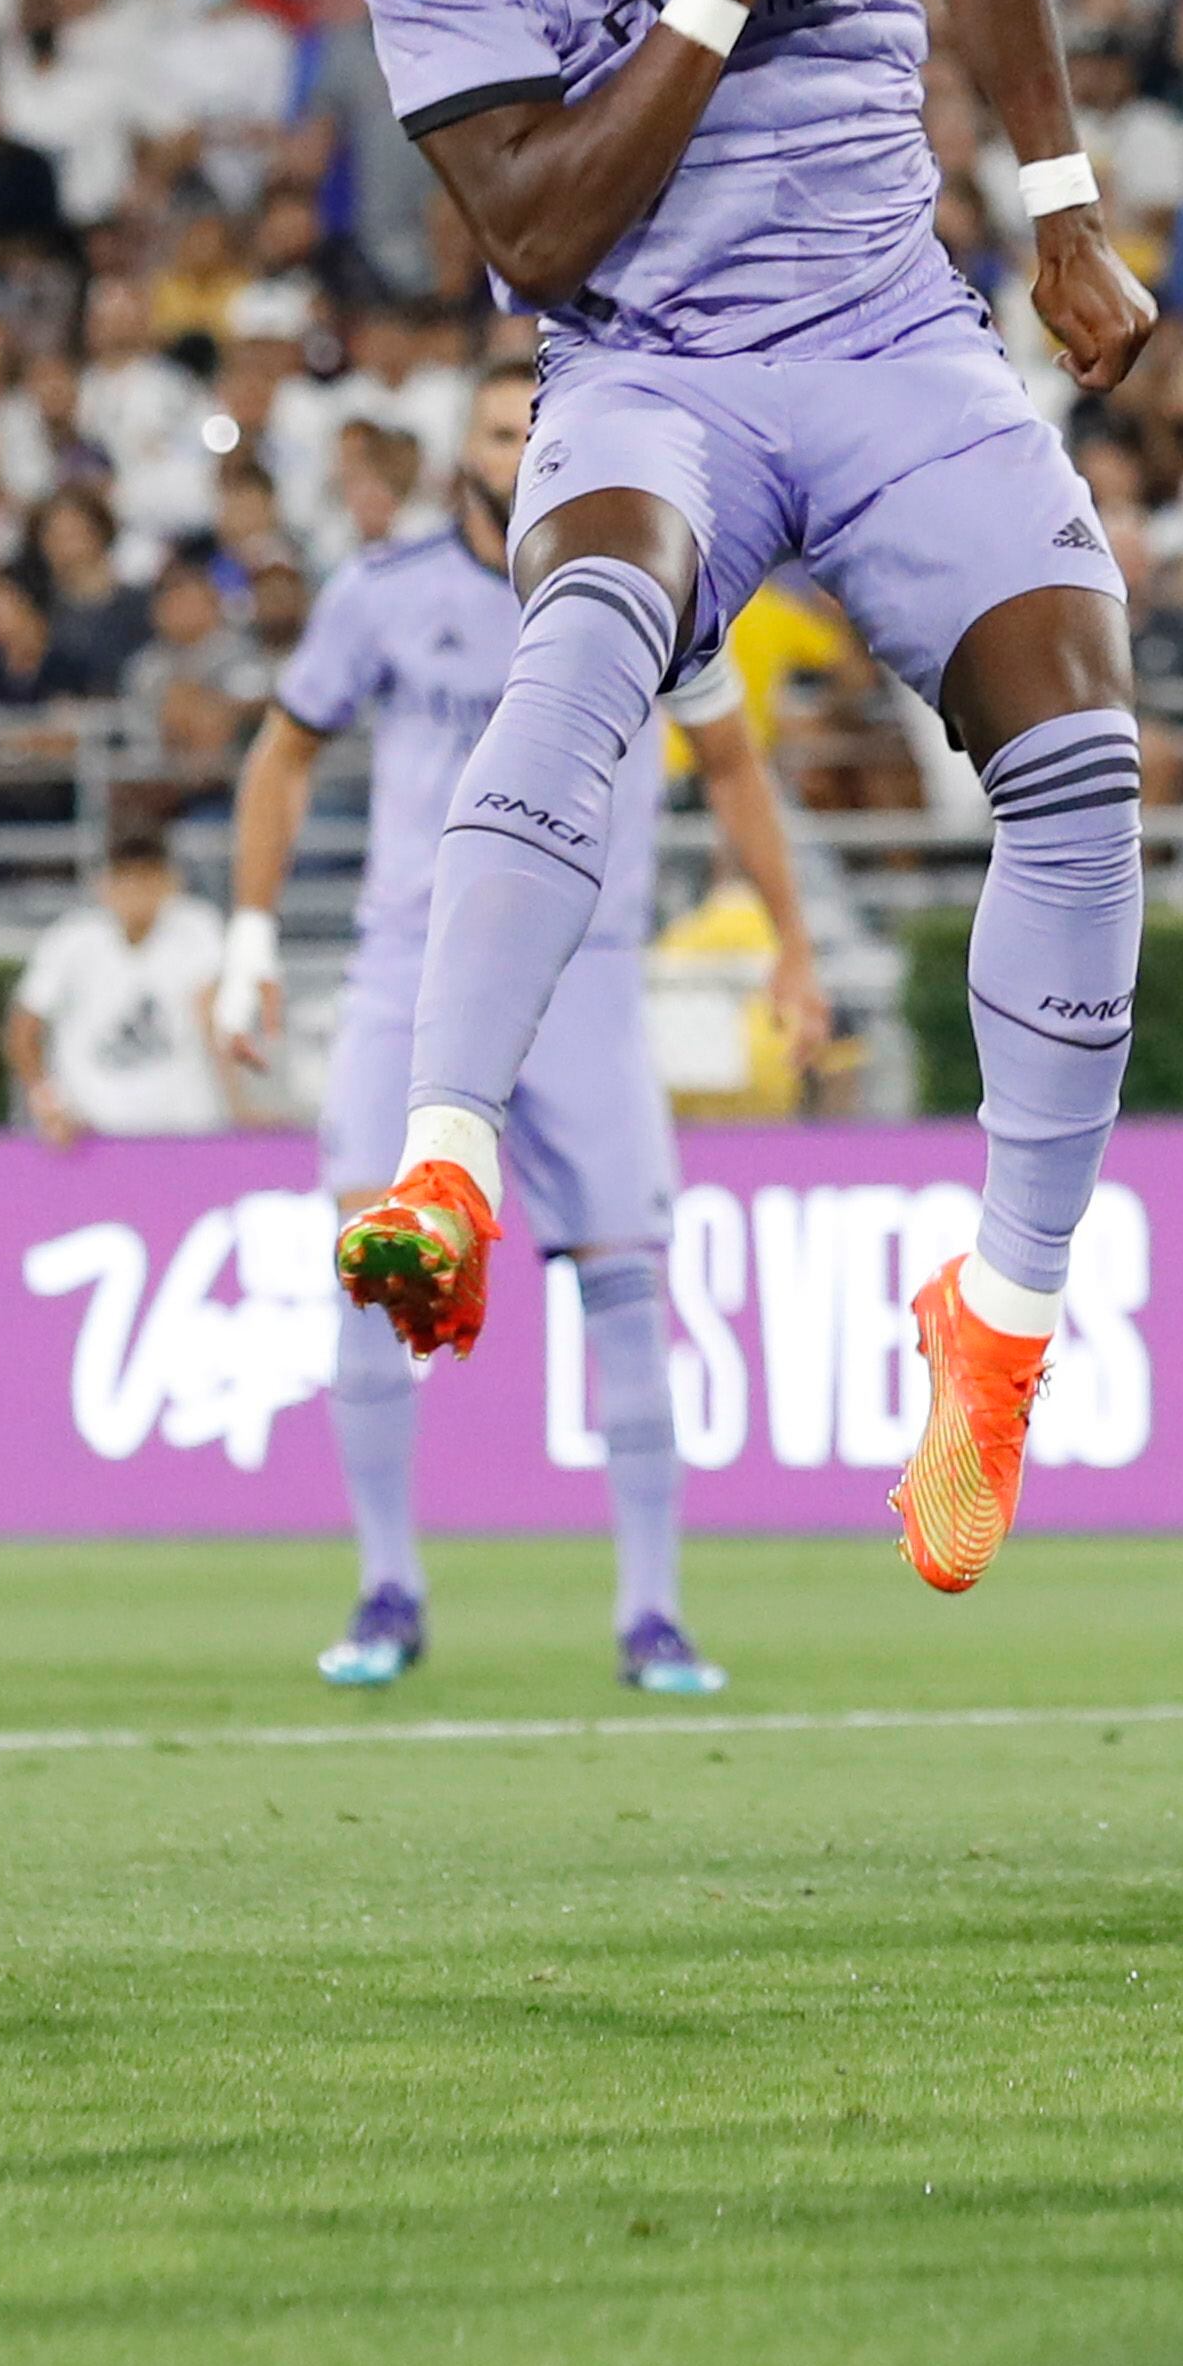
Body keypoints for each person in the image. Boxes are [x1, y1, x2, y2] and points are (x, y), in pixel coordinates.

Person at [319, 0, 1157, 1605]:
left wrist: (1060, 205)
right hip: (651, 373)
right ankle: (444, 1163)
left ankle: (1006, 1319)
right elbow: (537, 237)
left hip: (895, 346)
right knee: (583, 650)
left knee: (1085, 750)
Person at [216, 366, 831, 1698]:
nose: (525, 446)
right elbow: (282, 751)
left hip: (590, 971)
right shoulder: (384, 593)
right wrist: (251, 939)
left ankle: (654, 1612)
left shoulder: (665, 580)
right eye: (504, 428)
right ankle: (386, 1588)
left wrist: (791, 939)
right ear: (472, 447)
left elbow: (732, 766)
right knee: (378, 1266)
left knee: (624, 1283)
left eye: (542, 426)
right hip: (410, 965)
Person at [10, 815, 237, 1142]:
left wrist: (238, 1104)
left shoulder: (197, 929)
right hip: (92, 1136)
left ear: (170, 881)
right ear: (103, 884)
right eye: (126, 878)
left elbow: (213, 1019)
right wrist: (49, 1101)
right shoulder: (70, 941)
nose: (136, 892)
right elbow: (23, 1030)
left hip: (186, 1130)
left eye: (147, 878)